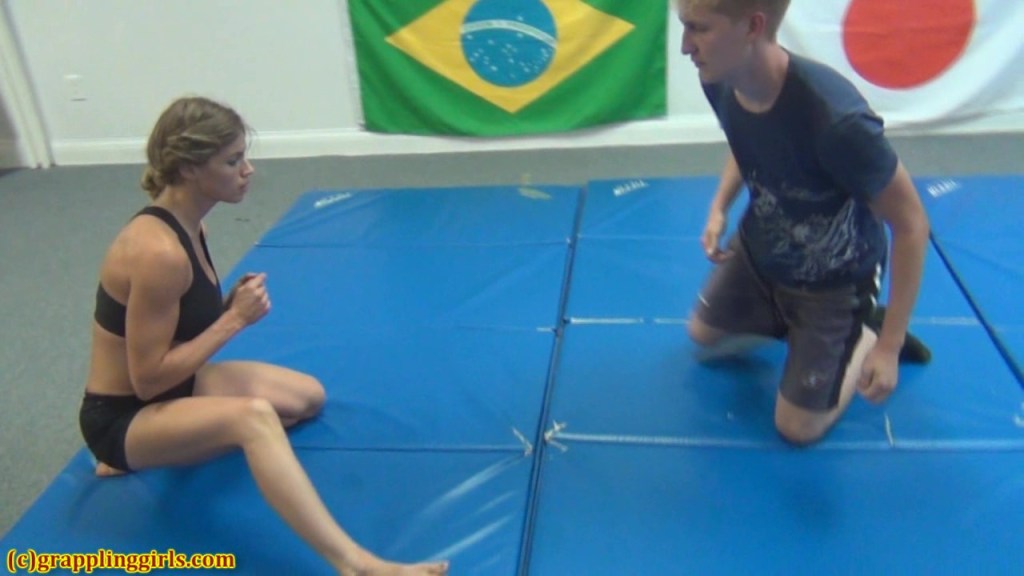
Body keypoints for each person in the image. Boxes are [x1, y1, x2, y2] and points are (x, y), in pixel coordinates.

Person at [78, 96, 449, 575]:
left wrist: (225, 307)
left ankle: (170, 443)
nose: (247, 170)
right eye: (232, 161)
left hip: (173, 388)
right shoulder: (158, 252)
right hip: (122, 417)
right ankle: (355, 563)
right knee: (255, 420)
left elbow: (176, 329)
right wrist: (233, 320)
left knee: (305, 398)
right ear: (189, 169)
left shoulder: (191, 224)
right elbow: (147, 381)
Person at [677, 0, 932, 445]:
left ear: (753, 26)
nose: (685, 46)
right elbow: (747, 137)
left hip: (833, 278)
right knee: (701, 335)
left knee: (797, 428)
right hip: (763, 251)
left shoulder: (835, 119)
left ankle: (863, 331)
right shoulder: (719, 78)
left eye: (698, 28)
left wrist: (889, 347)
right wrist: (720, 205)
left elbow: (912, 224)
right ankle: (797, 327)